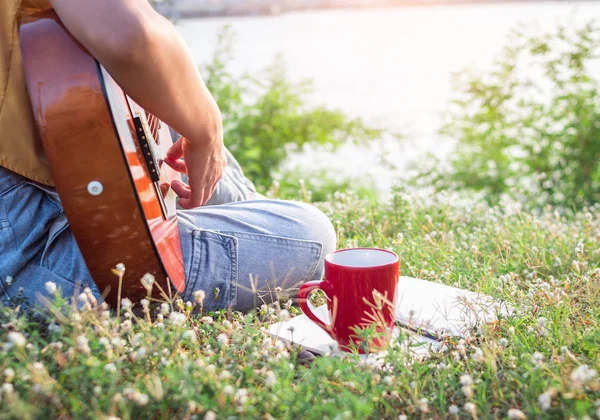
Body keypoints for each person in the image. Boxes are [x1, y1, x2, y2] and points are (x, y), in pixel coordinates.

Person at [0, 0, 336, 312]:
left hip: (50, 180)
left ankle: (247, 216)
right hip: (26, 251)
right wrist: (208, 126)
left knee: (177, 123)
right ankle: (257, 236)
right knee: (313, 237)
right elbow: (130, 34)